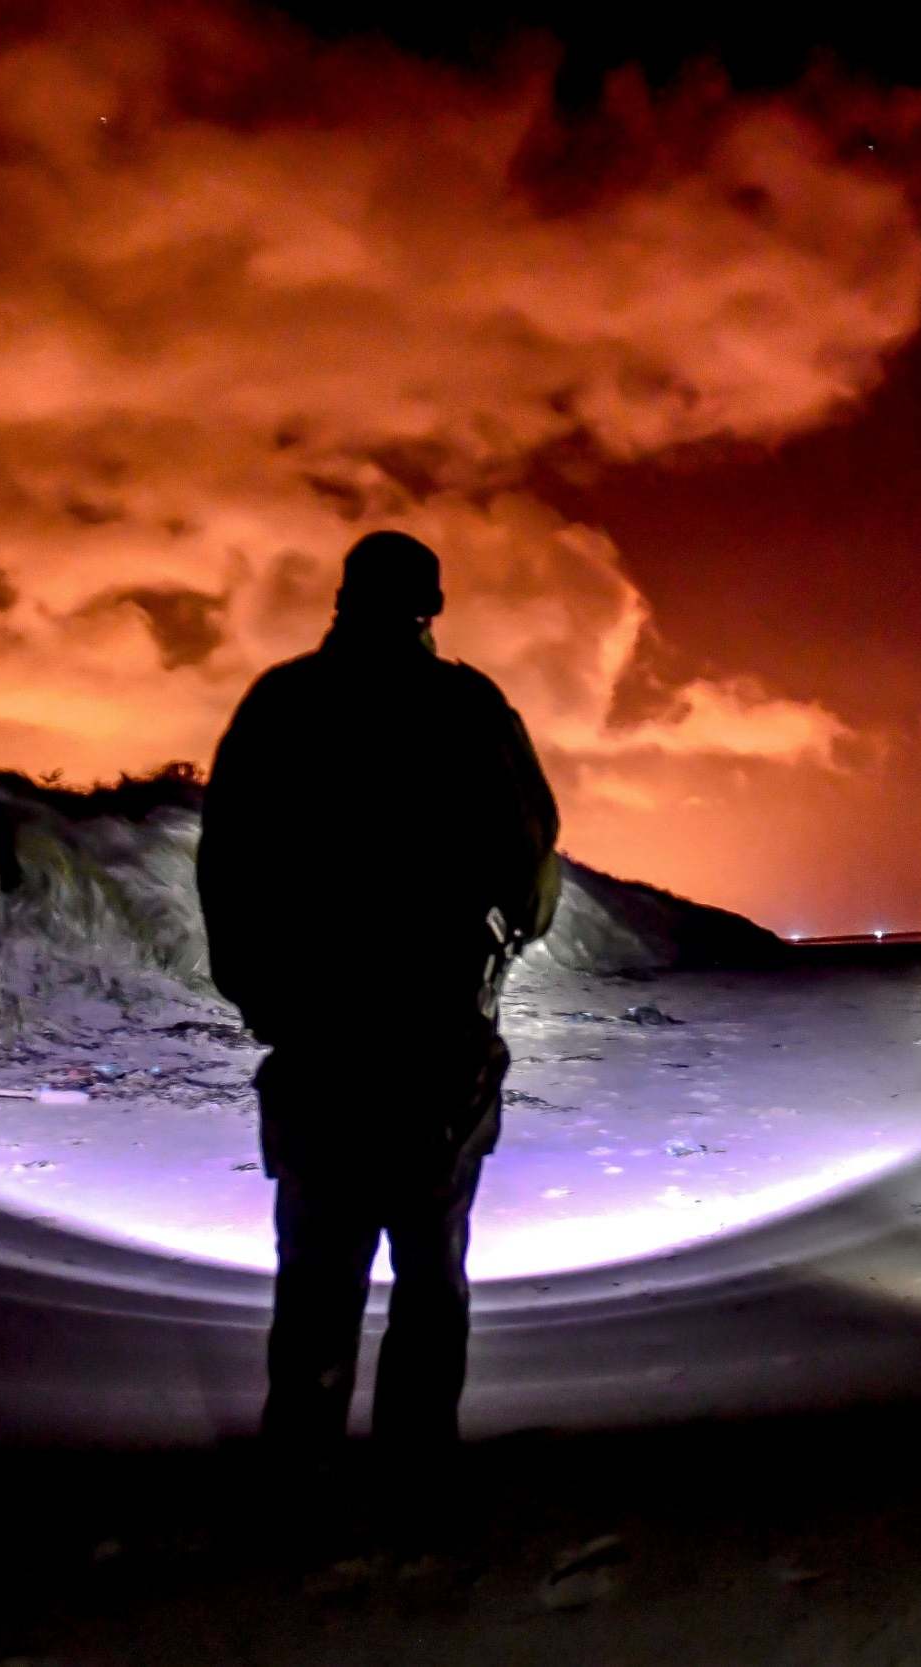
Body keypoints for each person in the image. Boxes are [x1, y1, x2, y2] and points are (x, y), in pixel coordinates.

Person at [198, 530, 560, 1481]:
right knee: (430, 1273)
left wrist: (265, 998)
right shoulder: (467, 706)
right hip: (437, 1039)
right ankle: (414, 1472)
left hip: (318, 1041)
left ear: (343, 598)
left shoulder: (280, 705)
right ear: (430, 608)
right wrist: (487, 959)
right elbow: (533, 863)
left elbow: (224, 868)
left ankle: (303, 1471)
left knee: (316, 1273)